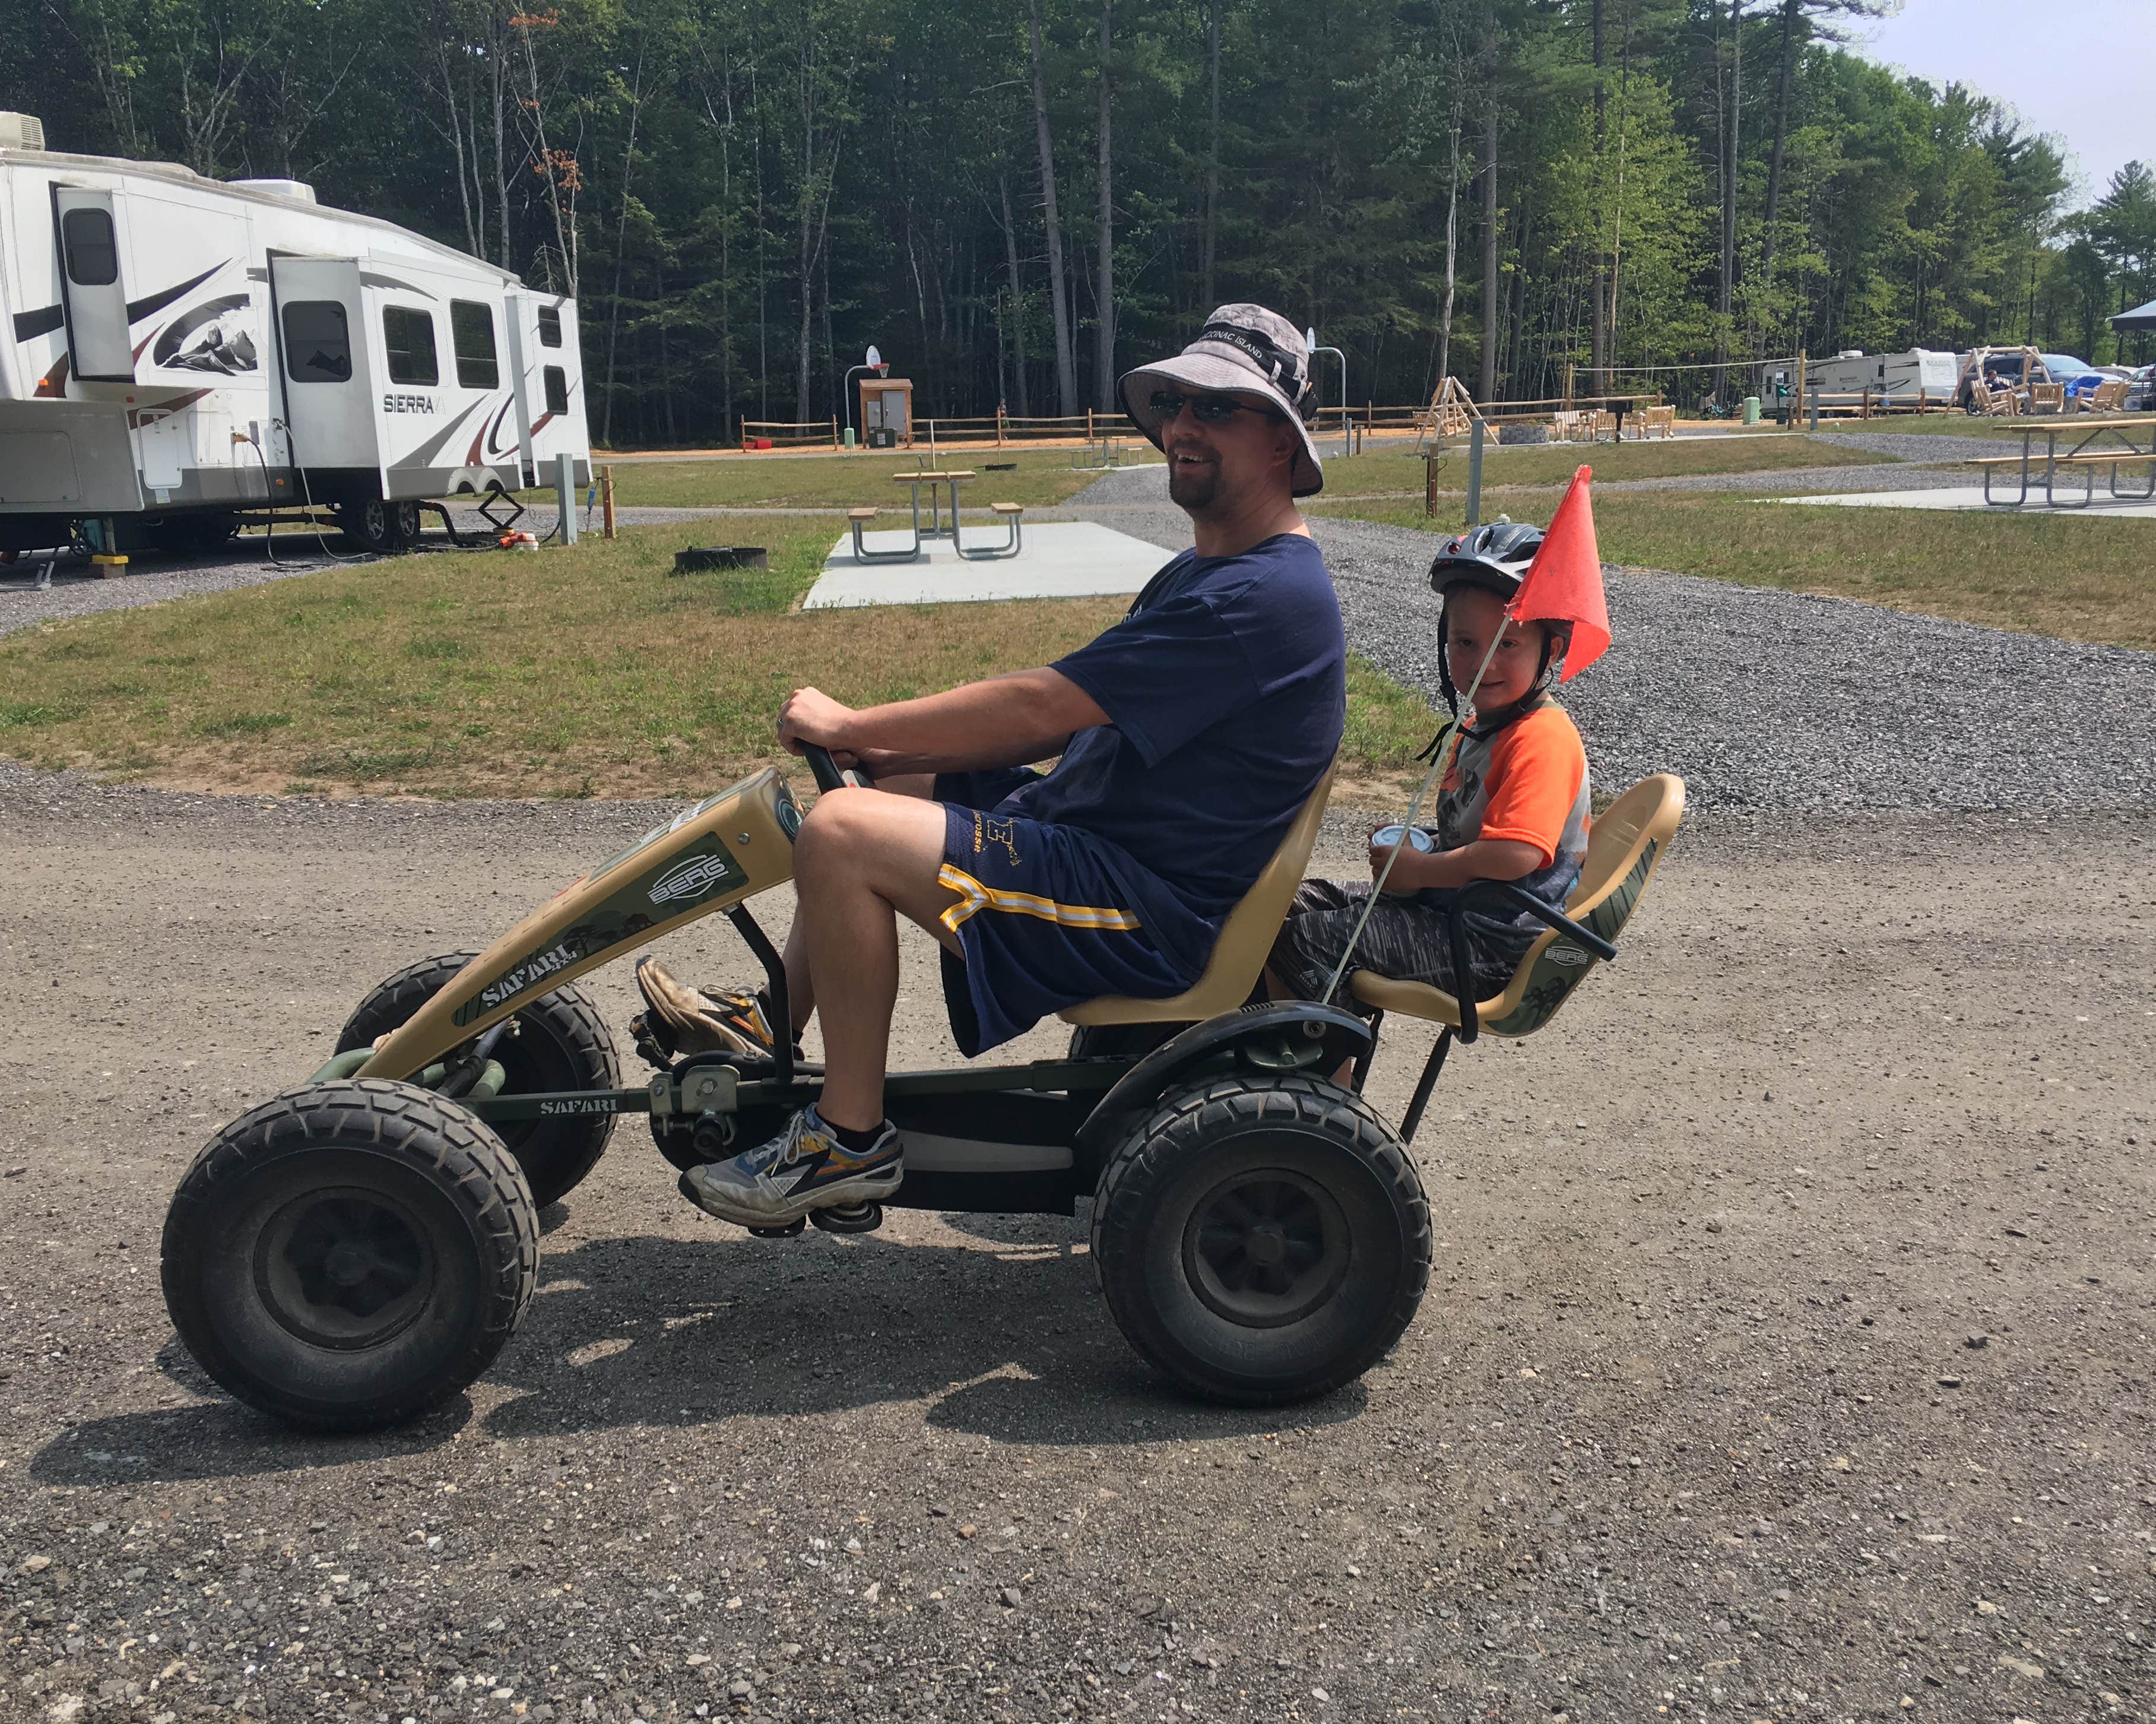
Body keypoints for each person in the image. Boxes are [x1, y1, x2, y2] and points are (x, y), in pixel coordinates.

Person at [655, 303, 1346, 1230]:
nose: (1182, 425)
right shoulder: (1215, 575)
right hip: (1098, 849)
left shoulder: (1262, 596)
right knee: (887, 787)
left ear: (1278, 443)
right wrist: (879, 746)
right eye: (1177, 402)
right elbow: (1051, 724)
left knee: (843, 832)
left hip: (1148, 911)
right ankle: (773, 1022)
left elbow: (1041, 708)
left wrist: (856, 720)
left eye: (1216, 408)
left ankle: (847, 1141)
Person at [1264, 522, 1591, 1014]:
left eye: (1507, 645)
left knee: (1308, 942)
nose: (1485, 664)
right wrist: (1418, 844)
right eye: (1465, 643)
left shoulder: (1541, 738)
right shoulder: (1482, 727)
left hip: (1491, 945)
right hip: (1455, 912)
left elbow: (1515, 856)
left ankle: (1318, 1082)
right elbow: (1472, 834)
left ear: (1553, 650)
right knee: (1281, 908)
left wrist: (1424, 868)